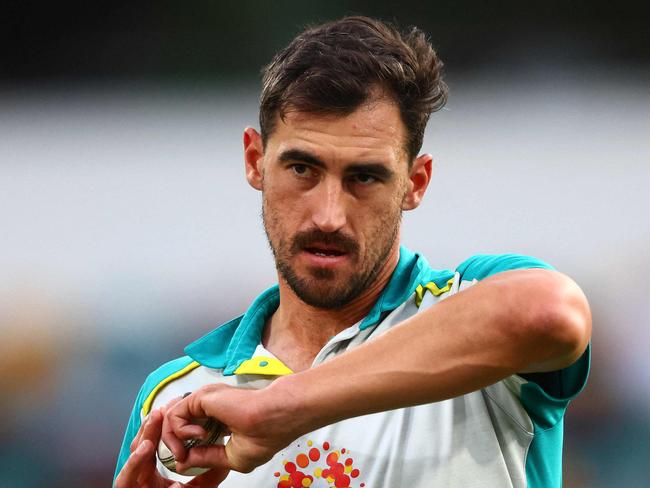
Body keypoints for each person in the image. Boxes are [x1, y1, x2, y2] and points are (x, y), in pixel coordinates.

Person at [114, 16, 591, 488]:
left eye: (364, 177)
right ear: (255, 161)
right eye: (302, 168)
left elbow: (549, 312)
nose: (328, 216)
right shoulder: (175, 399)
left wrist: (282, 407)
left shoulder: (464, 309)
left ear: (415, 182)